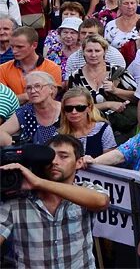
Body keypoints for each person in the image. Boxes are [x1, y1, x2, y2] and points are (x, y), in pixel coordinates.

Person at [0, 134, 110, 269]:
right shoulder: (18, 199)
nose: (55, 161)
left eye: (63, 156)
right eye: (50, 156)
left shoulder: (85, 190)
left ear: (79, 162)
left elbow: (101, 201)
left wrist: (39, 182)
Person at [0, 70, 60, 146]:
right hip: (32, 156)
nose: (32, 91)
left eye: (38, 86)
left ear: (52, 89)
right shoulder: (24, 112)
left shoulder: (67, 109)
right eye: (28, 88)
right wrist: (16, 146)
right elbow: (1, 132)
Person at [58, 87, 117, 156]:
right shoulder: (59, 135)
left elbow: (109, 160)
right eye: (68, 108)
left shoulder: (103, 129)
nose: (74, 112)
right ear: (64, 111)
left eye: (80, 108)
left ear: (89, 108)